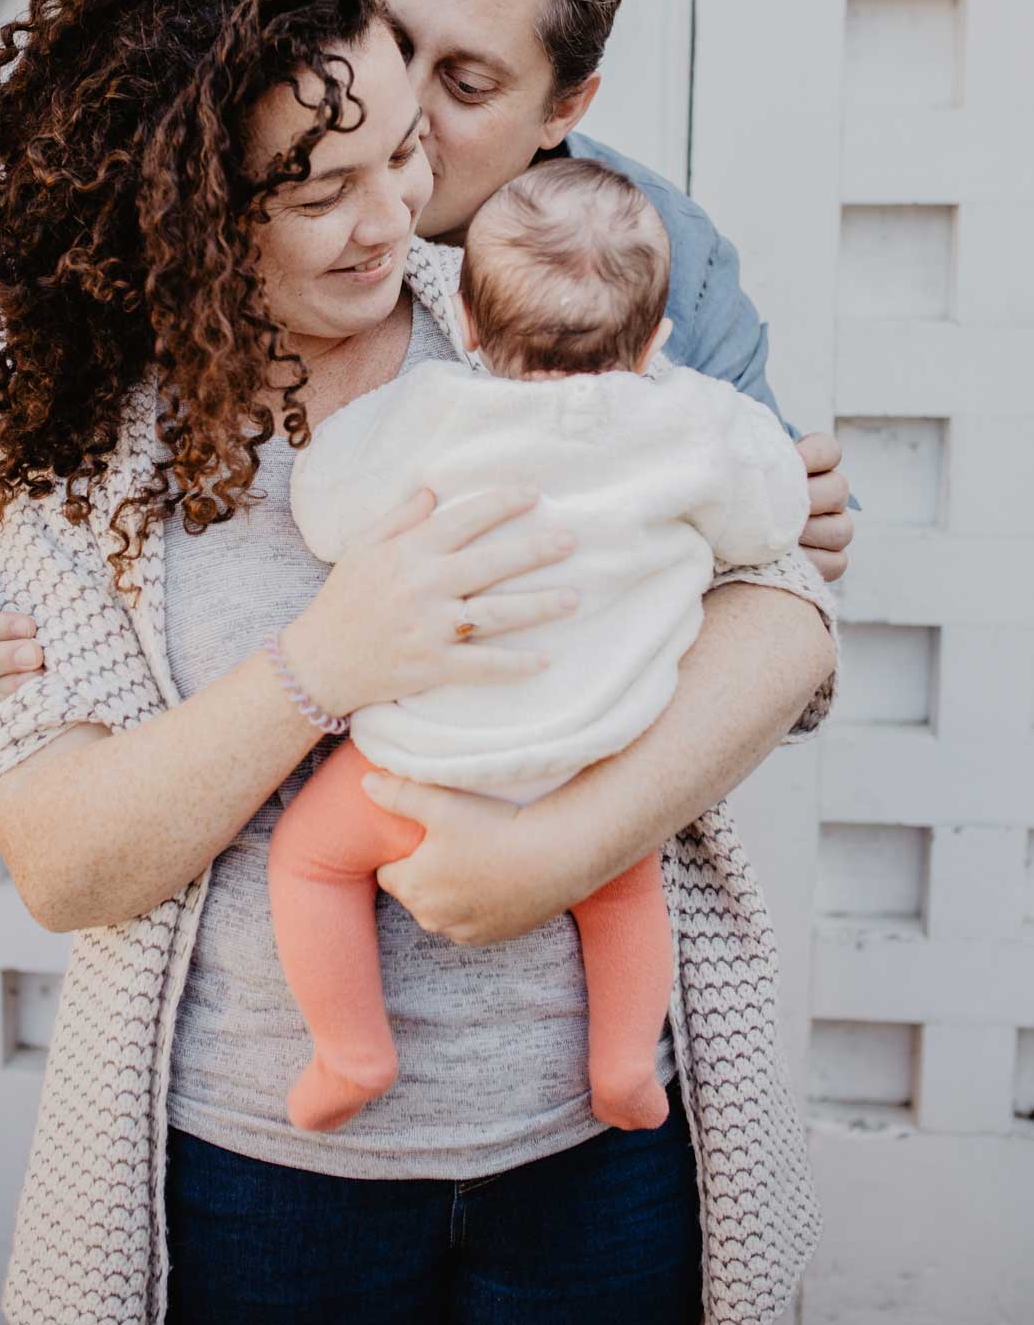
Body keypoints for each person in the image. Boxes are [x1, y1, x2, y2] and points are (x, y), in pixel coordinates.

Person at [0, 0, 845, 1323]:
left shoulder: (522, 313)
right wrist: (321, 661)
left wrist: (559, 846)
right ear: (187, 201)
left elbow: (785, 608)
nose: (392, 218)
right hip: (257, 1179)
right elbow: (66, 863)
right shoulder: (83, 465)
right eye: (318, 188)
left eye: (402, 154)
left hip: (597, 1157)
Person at [270, 157, 811, 1141]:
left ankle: (349, 1045)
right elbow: (772, 517)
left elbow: (326, 511)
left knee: (307, 861)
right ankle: (619, 1069)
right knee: (623, 882)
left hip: (420, 762)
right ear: (652, 336)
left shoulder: (431, 408)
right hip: (594, 758)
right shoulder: (692, 419)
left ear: (466, 324)